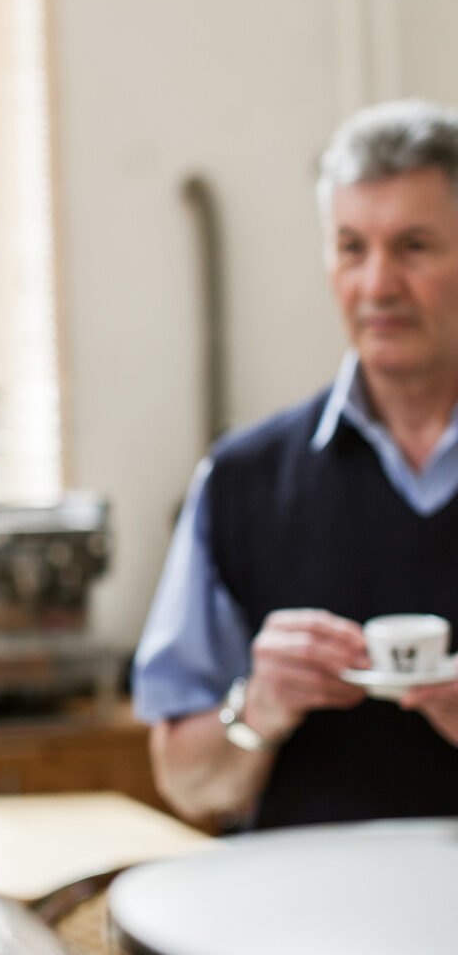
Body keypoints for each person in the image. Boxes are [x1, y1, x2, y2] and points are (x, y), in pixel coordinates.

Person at [133, 97, 458, 831]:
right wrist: (259, 707)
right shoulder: (241, 480)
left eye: (413, 246)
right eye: (351, 247)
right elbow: (187, 784)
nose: (377, 285)